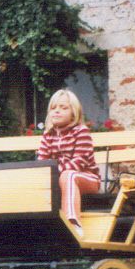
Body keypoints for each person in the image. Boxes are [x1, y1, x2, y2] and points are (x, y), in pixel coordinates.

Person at [37, 89, 99, 237]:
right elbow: (42, 162)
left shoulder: (81, 131)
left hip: (87, 178)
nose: (57, 111)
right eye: (53, 108)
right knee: (39, 179)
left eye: (63, 108)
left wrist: (54, 171)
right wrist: (46, 172)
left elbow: (79, 161)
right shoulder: (48, 135)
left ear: (74, 112)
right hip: (59, 177)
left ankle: (73, 223)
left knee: (68, 175)